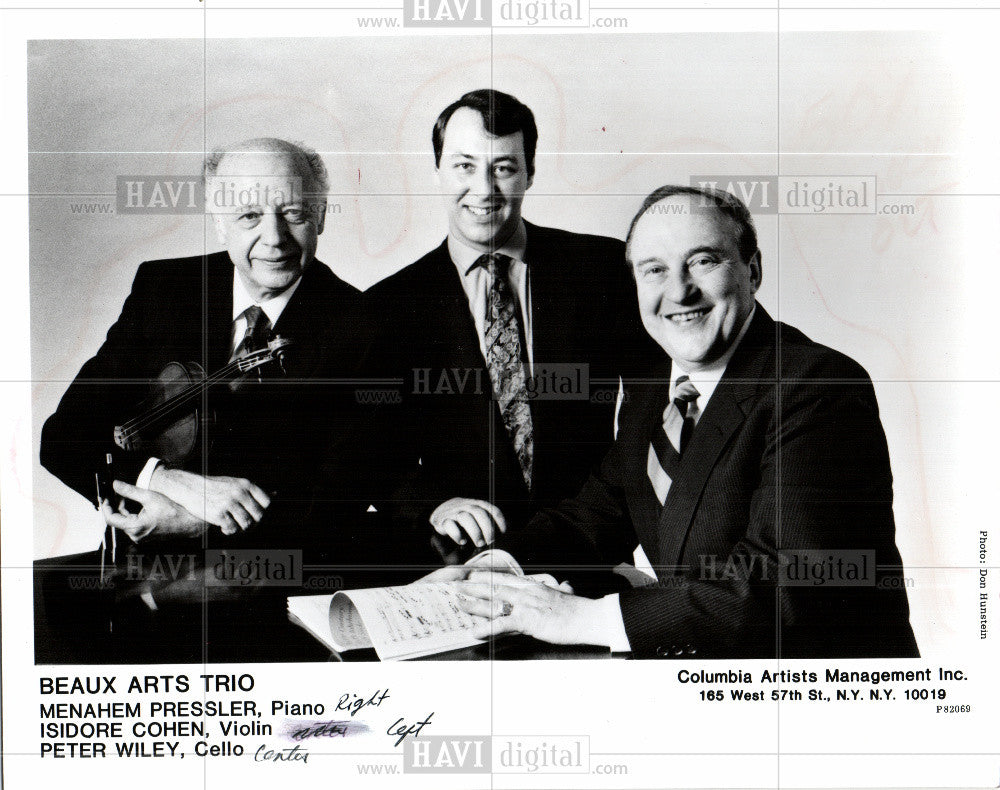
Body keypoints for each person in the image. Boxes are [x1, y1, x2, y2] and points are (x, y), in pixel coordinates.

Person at [455, 185, 919, 659]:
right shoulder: (655, 386)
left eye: (703, 261)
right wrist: (494, 565)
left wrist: (572, 617)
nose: (679, 291)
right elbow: (598, 512)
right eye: (654, 270)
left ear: (752, 271)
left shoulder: (815, 385)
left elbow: (785, 585)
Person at [36, 137, 365, 662]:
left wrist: (196, 520)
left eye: (295, 213)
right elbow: (63, 436)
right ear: (218, 221)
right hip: (132, 577)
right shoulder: (165, 289)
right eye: (249, 215)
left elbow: (338, 503)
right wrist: (165, 481)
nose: (274, 238)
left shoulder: (363, 326)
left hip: (271, 599)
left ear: (321, 216)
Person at [362, 89, 655, 568]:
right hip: (461, 563)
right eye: (464, 166)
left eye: (503, 167)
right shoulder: (388, 306)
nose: (484, 189)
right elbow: (370, 447)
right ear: (437, 170)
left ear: (530, 174)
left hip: (589, 551)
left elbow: (656, 393)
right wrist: (432, 505)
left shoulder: (603, 269)